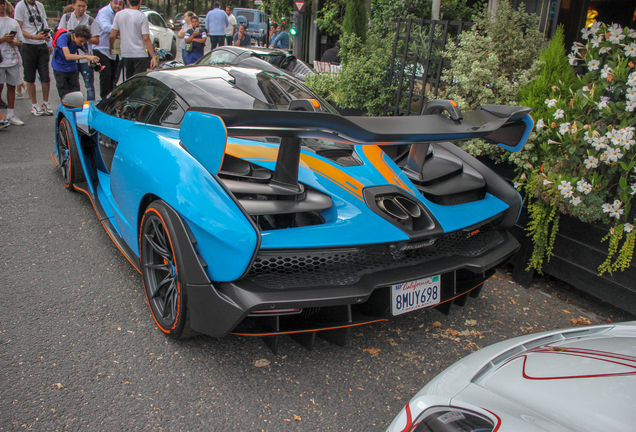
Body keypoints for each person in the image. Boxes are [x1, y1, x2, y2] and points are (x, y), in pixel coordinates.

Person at [14, 0, 53, 116]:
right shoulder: (20, 6)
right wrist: (33, 37)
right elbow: (18, 29)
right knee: (30, 77)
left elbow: (43, 23)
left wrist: (46, 36)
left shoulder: (39, 5)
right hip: (28, 44)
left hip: (41, 45)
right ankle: (34, 104)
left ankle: (45, 102)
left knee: (45, 76)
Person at [57, 0, 100, 101]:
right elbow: (60, 33)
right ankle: (73, 106)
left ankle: (90, 107)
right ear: (73, 5)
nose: (81, 9)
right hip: (70, 58)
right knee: (72, 88)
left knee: (89, 86)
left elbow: (96, 40)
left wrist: (83, 37)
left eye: (84, 7)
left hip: (85, 58)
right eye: (79, 6)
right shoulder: (67, 18)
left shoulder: (90, 20)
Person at [109, 0, 155, 80]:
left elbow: (112, 35)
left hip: (126, 53)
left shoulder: (119, 15)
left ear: (127, 1)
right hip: (140, 54)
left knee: (129, 80)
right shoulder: (142, 16)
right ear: (140, 2)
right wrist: (153, 56)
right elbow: (146, 38)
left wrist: (111, 46)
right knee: (139, 80)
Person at [51, 25, 99, 99]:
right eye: (81, 41)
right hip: (60, 67)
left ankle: (76, 109)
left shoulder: (83, 42)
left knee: (76, 94)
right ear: (74, 35)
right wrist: (86, 57)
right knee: (64, 94)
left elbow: (88, 56)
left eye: (84, 42)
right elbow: (68, 56)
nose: (82, 44)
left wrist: (94, 65)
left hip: (72, 68)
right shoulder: (63, 38)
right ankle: (66, 109)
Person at [0, 0, 25, 126]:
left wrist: (13, 42)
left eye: (3, 3)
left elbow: (21, 41)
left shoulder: (13, 22)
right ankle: (1, 117)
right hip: (0, 60)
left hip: (12, 59)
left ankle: (11, 114)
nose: (2, 6)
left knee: (12, 86)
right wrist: (3, 39)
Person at [94, 0, 123, 99]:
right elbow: (106, 27)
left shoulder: (120, 13)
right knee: (106, 76)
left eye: (120, 4)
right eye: (115, 3)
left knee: (113, 77)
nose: (118, 6)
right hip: (102, 48)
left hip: (114, 50)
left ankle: (111, 100)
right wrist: (121, 29)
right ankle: (104, 100)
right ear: (110, 2)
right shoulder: (104, 12)